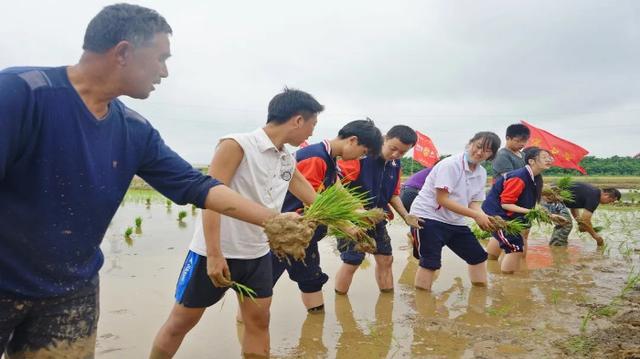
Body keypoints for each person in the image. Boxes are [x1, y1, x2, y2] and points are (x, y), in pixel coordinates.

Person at [0, 4, 296, 357]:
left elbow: (196, 185)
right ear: (123, 52)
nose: (165, 72)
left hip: (71, 293)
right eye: (160, 58)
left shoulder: (135, 130)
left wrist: (274, 221)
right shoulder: (22, 94)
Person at [151, 88, 324, 358]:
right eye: (312, 124)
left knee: (258, 322)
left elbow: (313, 198)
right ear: (298, 120)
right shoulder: (237, 145)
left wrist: (350, 221)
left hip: (257, 254)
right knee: (181, 323)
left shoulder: (286, 158)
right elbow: (209, 197)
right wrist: (214, 253)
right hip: (215, 252)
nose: (311, 133)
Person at [272, 119, 383, 313]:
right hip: (283, 234)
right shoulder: (316, 158)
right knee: (261, 285)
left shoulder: (330, 159)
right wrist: (347, 226)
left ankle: (316, 332)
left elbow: (338, 191)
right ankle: (248, 328)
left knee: (311, 280)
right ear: (352, 140)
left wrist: (361, 212)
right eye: (363, 153)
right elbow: (314, 203)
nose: (359, 159)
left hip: (304, 235)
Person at [334, 125, 421, 294]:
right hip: (352, 217)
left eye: (402, 152)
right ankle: (340, 301)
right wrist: (355, 208)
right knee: (352, 261)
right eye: (393, 148)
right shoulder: (360, 156)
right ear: (385, 139)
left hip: (377, 216)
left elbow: (394, 194)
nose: (396, 154)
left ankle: (387, 302)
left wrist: (405, 215)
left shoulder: (395, 164)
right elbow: (335, 184)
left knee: (386, 259)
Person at [409, 132, 501, 291]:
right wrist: (476, 215)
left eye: (486, 150)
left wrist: (483, 216)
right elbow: (442, 199)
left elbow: (474, 203)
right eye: (478, 146)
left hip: (455, 221)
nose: (479, 152)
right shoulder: (451, 164)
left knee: (478, 257)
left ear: (491, 155)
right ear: (470, 143)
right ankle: (422, 310)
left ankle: (480, 296)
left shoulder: (481, 173)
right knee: (430, 264)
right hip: (428, 217)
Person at [482, 147, 565, 273]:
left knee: (505, 240)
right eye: (544, 157)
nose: (549, 159)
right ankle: (510, 283)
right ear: (531, 161)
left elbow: (529, 203)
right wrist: (534, 213)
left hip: (508, 213)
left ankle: (492, 270)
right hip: (497, 213)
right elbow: (506, 204)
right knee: (515, 247)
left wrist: (551, 216)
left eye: (549, 157)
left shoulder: (536, 178)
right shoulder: (519, 177)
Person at [543, 183, 620, 246]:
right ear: (606, 195)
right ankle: (557, 249)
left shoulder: (592, 192)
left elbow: (573, 206)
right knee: (565, 224)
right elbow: (585, 220)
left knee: (565, 223)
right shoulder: (595, 197)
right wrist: (596, 236)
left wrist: (579, 222)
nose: (609, 203)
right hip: (549, 197)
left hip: (550, 195)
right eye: (610, 201)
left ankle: (558, 245)